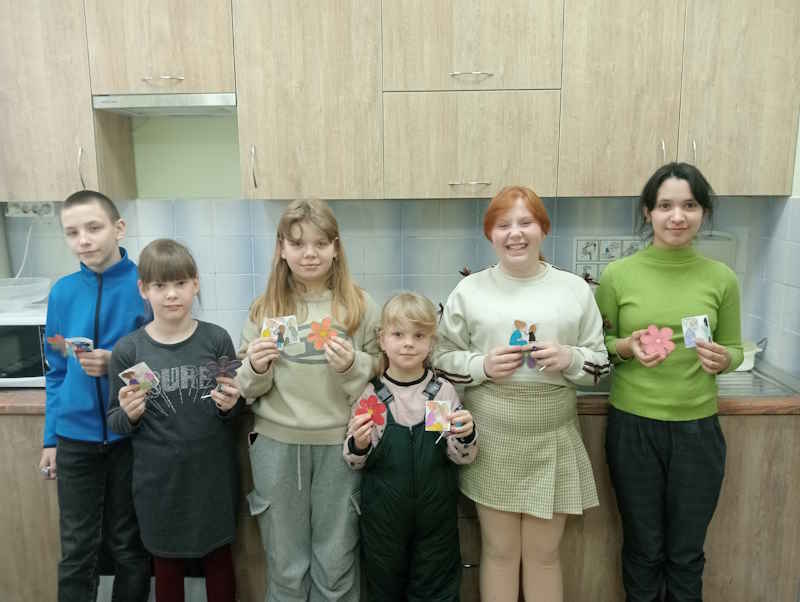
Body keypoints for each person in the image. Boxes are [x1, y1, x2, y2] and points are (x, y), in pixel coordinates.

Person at [434, 185, 610, 602]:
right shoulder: (469, 290)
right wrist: (481, 366)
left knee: (545, 555)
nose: (515, 233)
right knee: (499, 552)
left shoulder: (574, 289)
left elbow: (601, 366)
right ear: (489, 234)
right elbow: (440, 359)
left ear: (543, 229)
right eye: (503, 225)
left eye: (526, 222)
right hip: (492, 438)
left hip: (553, 437)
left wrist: (569, 357)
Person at [594, 162, 743, 602]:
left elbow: (734, 347)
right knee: (643, 549)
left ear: (703, 212)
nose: (677, 216)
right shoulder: (618, 276)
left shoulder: (722, 278)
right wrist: (627, 346)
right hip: (633, 428)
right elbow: (598, 346)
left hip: (698, 431)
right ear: (648, 212)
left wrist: (725, 359)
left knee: (686, 552)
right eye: (665, 206)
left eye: (689, 205)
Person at [236, 199, 381, 601]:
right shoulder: (265, 309)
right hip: (276, 447)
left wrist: (353, 365)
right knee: (285, 565)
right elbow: (244, 387)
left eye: (320, 243)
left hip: (341, 448)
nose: (310, 253)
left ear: (336, 247)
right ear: (281, 249)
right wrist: (257, 367)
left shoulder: (360, 307)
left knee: (336, 562)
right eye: (298, 244)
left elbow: (381, 374)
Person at [107, 239, 244, 602]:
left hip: (213, 479)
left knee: (219, 560)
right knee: (166, 566)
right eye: (160, 285)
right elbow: (114, 420)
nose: (171, 294)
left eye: (180, 283)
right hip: (158, 484)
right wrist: (129, 415)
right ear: (143, 289)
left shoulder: (217, 339)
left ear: (195, 284)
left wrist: (231, 405)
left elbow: (235, 409)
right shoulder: (129, 351)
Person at [39, 190, 150, 602]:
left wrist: (117, 365)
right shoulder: (62, 293)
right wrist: (51, 439)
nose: (83, 240)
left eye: (93, 228)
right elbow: (56, 369)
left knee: (128, 546)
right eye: (72, 232)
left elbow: (161, 370)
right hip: (74, 439)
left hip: (130, 437)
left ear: (118, 228)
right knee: (76, 549)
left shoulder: (146, 287)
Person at [343, 292, 478, 601]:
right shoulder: (373, 396)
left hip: (436, 522)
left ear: (432, 342)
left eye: (419, 335)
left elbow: (461, 456)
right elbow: (353, 460)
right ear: (382, 339)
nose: (408, 343)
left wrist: (466, 435)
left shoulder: (439, 393)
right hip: (383, 522)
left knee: (437, 590)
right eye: (398, 334)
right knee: (385, 590)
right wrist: (359, 444)